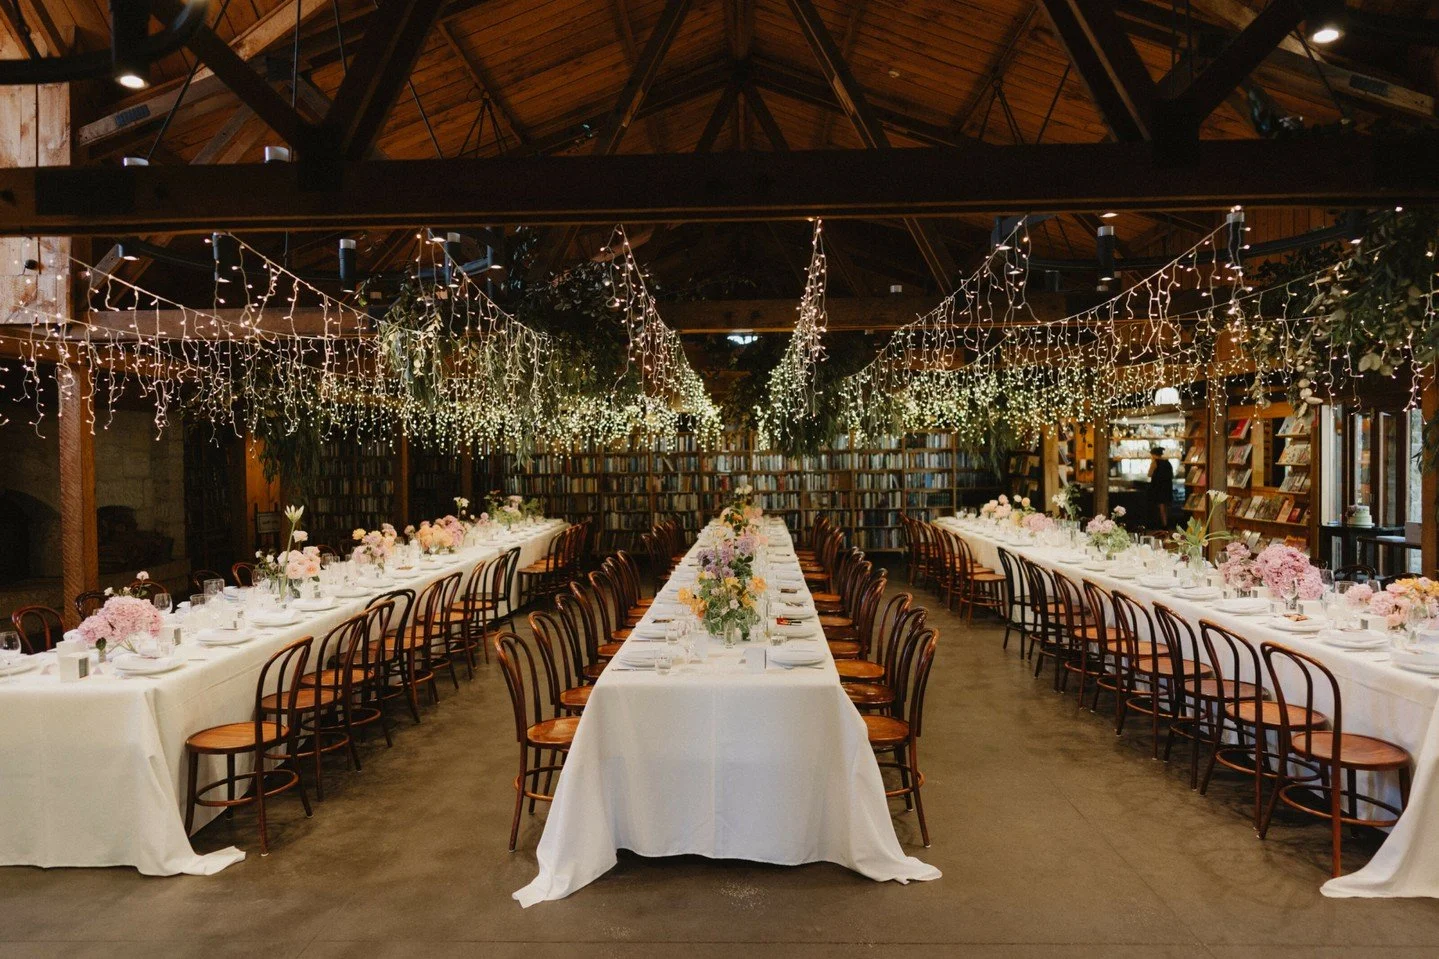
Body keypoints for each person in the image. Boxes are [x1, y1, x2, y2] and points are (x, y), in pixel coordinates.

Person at [1148, 446, 1174, 529]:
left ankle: (1163, 524)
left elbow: (1149, 474)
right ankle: (1167, 523)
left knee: (1161, 506)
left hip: (1158, 487)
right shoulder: (1168, 463)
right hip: (1167, 486)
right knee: (1165, 506)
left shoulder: (1155, 463)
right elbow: (1171, 475)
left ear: (1154, 455)